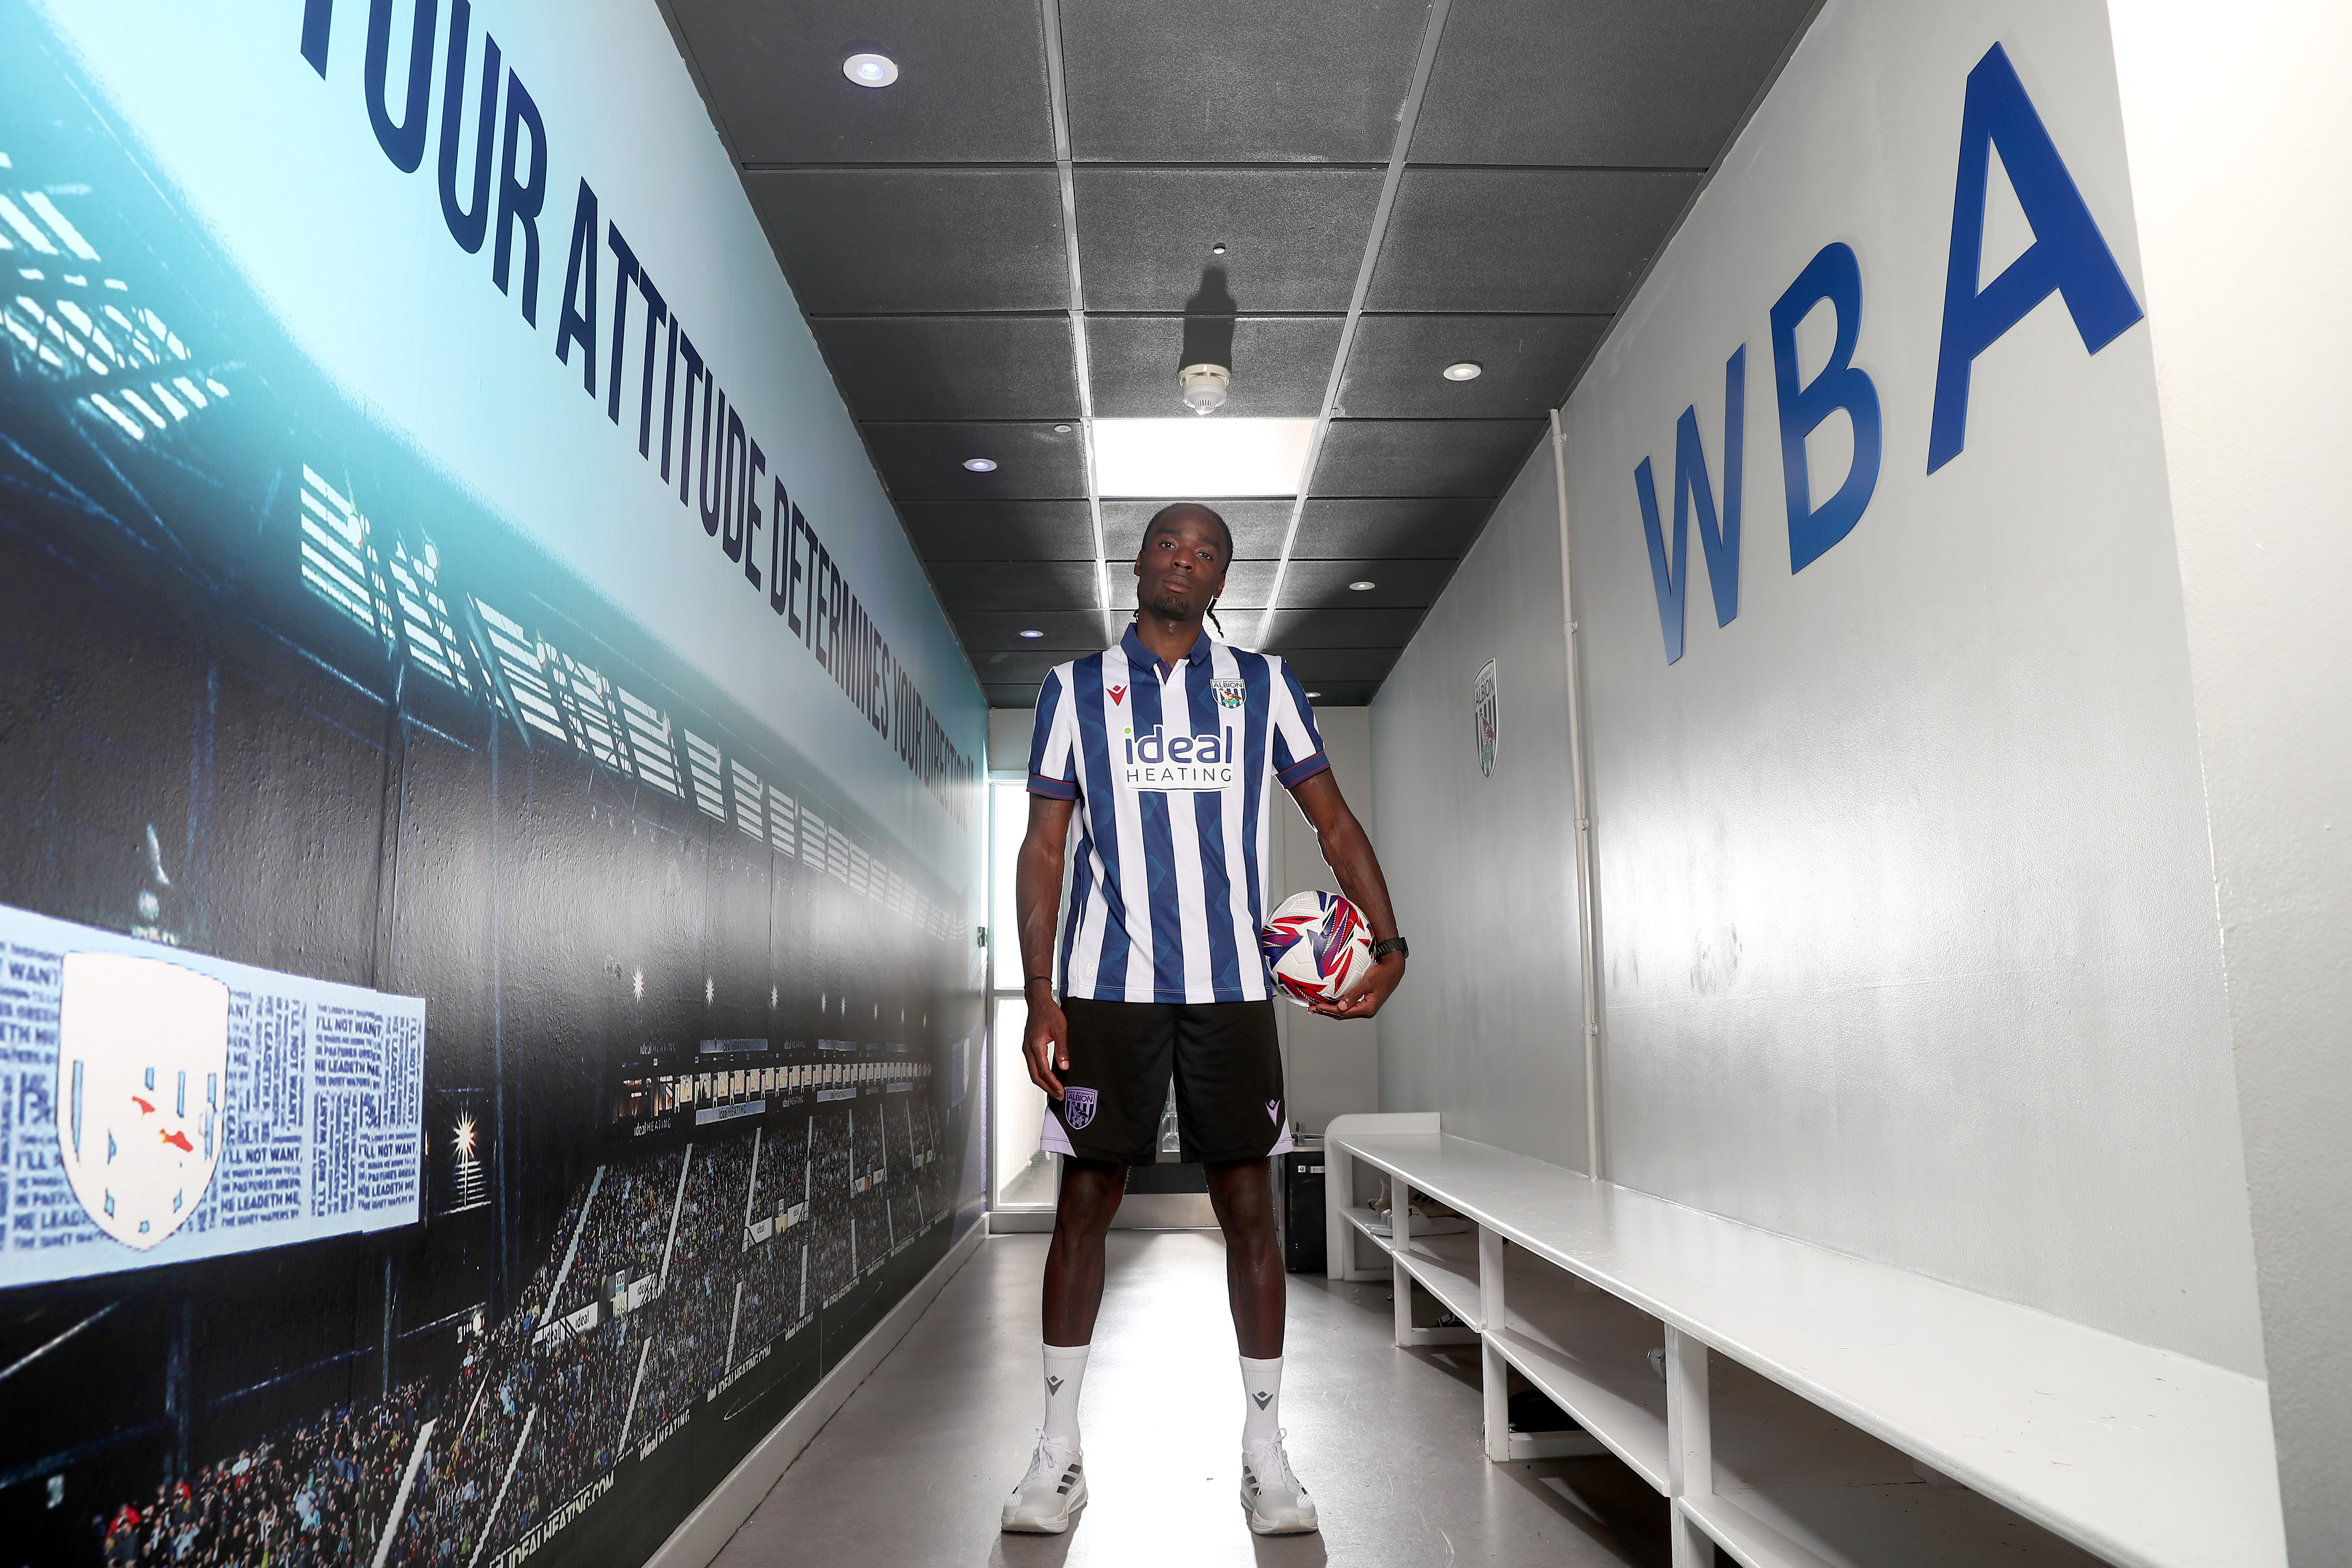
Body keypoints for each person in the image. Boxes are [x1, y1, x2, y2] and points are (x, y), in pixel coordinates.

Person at [1000, 503, 1408, 1537]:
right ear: (1138, 563)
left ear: (1222, 582)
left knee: (1250, 1207)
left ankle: (1266, 1455)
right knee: (1084, 1203)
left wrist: (1391, 940)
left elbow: (1331, 818)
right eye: (1169, 546)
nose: (1185, 562)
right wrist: (1040, 989)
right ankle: (1057, 1457)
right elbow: (1044, 848)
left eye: (1208, 554)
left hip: (1231, 991)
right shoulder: (1072, 689)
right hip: (1103, 988)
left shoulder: (1262, 687)